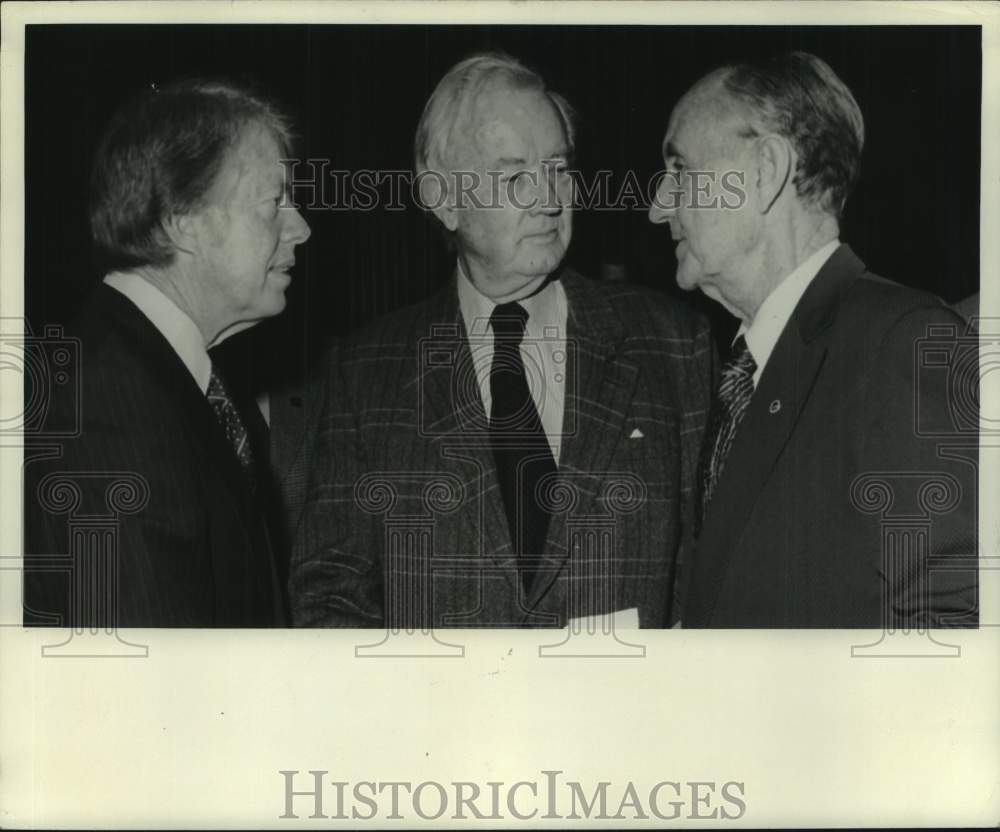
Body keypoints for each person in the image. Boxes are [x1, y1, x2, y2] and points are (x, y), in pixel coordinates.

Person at [291, 53, 714, 628]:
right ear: (443, 199)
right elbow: (331, 594)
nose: (548, 198)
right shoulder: (366, 371)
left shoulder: (672, 342)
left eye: (558, 169)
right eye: (514, 176)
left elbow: (709, 572)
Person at [648, 52, 977, 628]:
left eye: (680, 171)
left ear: (766, 169)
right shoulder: (746, 372)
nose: (657, 207)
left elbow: (954, 629)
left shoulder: (901, 342)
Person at [24, 79, 311, 627]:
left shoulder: (181, 382)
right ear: (185, 221)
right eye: (274, 202)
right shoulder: (109, 402)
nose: (300, 227)